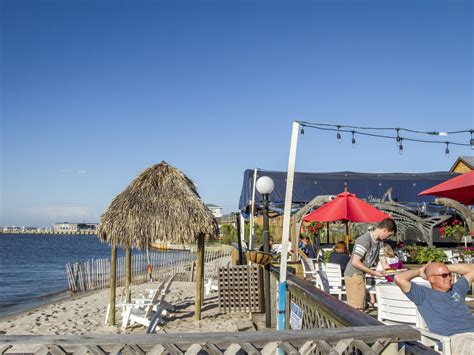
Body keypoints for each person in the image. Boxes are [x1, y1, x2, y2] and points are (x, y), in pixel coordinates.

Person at [394, 262, 474, 354]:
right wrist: (419, 271)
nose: (449, 278)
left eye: (449, 274)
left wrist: (444, 268)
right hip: (455, 338)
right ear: (431, 278)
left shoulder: (457, 289)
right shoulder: (423, 295)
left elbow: (472, 269)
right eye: (444, 275)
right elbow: (399, 278)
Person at [344, 218, 397, 310]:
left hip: (360, 275)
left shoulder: (380, 243)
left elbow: (384, 263)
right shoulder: (364, 240)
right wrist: (374, 273)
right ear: (385, 230)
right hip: (353, 275)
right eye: (389, 235)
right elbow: (355, 262)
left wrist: (394, 277)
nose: (388, 238)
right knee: (356, 308)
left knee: (360, 306)